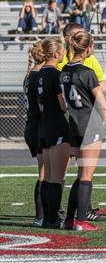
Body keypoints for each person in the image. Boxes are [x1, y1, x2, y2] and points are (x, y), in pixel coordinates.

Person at [57, 23, 106, 222]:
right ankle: (82, 217)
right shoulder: (87, 71)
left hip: (74, 125)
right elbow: (103, 105)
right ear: (87, 49)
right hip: (89, 124)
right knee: (86, 174)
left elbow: (63, 104)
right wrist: (100, 120)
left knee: (80, 173)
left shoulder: (62, 72)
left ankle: (70, 217)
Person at [37, 37, 69, 229]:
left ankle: (47, 218)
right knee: (57, 178)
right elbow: (63, 106)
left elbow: (40, 102)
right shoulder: (56, 74)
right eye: (63, 51)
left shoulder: (39, 74)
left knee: (48, 177)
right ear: (56, 54)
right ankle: (53, 219)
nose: (64, 53)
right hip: (57, 126)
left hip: (45, 125)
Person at [23, 41, 45, 227]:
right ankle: (41, 216)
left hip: (31, 125)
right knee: (45, 173)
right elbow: (42, 105)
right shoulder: (39, 76)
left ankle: (43, 214)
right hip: (39, 126)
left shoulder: (29, 75)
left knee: (45, 172)